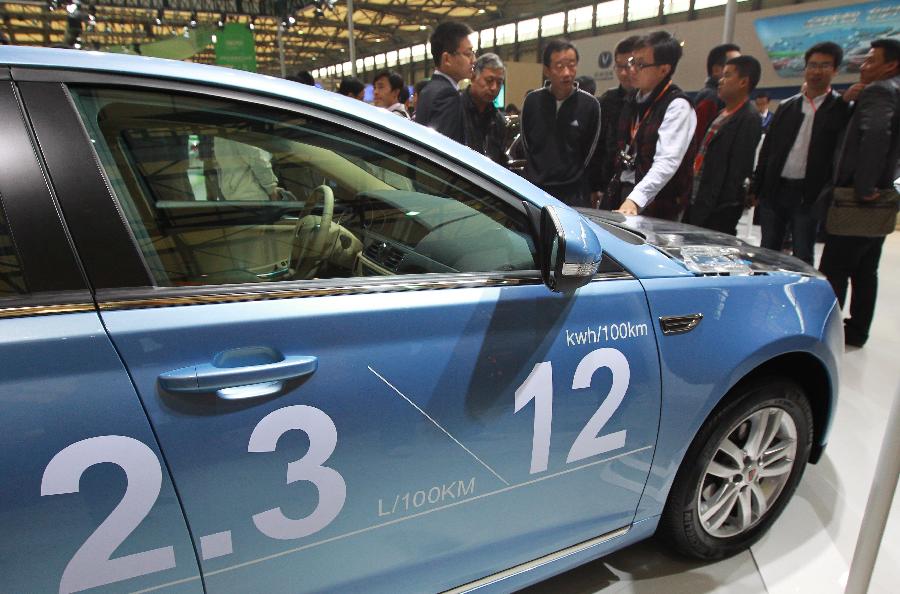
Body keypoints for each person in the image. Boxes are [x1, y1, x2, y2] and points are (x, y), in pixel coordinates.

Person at [819, 39, 900, 347]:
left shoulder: (880, 91)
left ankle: (830, 332)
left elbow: (876, 136)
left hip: (858, 199)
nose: (863, 66)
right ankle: (858, 329)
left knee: (836, 267)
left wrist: (865, 186)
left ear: (890, 64)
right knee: (867, 269)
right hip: (883, 198)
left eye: (870, 61)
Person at [752, 42, 850, 265]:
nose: (817, 71)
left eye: (824, 66)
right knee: (767, 251)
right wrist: (757, 187)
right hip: (776, 189)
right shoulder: (788, 106)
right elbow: (769, 150)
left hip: (809, 194)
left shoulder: (839, 108)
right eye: (812, 65)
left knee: (803, 252)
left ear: (835, 70)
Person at [609, 31, 697, 219]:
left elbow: (666, 162)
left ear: (664, 70)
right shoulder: (633, 99)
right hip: (624, 191)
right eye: (633, 61)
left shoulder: (677, 106)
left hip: (657, 202)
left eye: (640, 64)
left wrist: (635, 199)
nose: (632, 69)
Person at [520, 39, 602, 207]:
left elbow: (591, 152)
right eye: (559, 66)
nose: (566, 73)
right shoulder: (532, 101)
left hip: (573, 193)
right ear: (547, 70)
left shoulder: (590, 105)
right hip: (534, 189)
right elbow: (527, 143)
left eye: (571, 65)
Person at [686, 56, 763, 234]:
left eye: (727, 76)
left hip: (718, 207)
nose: (720, 81)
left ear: (743, 81)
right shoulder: (722, 113)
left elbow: (738, 169)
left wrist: (720, 206)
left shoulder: (748, 118)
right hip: (700, 197)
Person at [414, 21, 475, 142]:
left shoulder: (429, 90)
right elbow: (445, 150)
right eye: (468, 54)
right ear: (447, 59)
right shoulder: (447, 95)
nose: (473, 60)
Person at [598, 35, 639, 208]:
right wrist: (597, 186)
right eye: (619, 67)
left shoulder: (651, 103)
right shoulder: (608, 100)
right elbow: (599, 145)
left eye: (628, 66)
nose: (623, 73)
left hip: (638, 185)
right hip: (609, 183)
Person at [461, 53, 508, 165]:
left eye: (499, 83)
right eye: (489, 80)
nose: (494, 88)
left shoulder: (498, 120)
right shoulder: (455, 109)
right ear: (473, 77)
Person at [693, 43, 741, 142]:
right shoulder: (711, 98)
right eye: (736, 66)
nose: (742, 71)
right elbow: (698, 140)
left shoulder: (723, 98)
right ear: (716, 70)